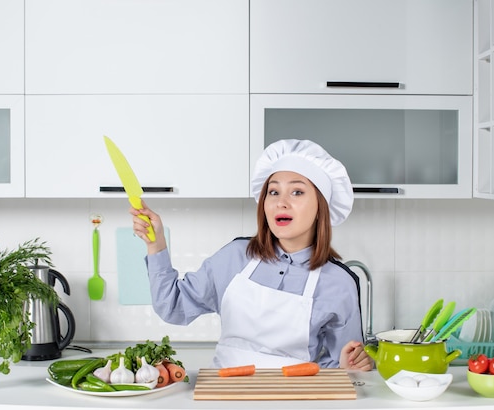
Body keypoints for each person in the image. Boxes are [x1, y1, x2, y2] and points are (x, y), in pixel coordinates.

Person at [130, 139, 373, 371]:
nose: (281, 202)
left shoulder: (339, 283)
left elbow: (341, 369)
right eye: (273, 192)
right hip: (222, 399)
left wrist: (349, 367)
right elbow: (172, 307)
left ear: (322, 206)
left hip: (295, 403)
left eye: (297, 192)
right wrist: (156, 244)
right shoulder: (235, 257)